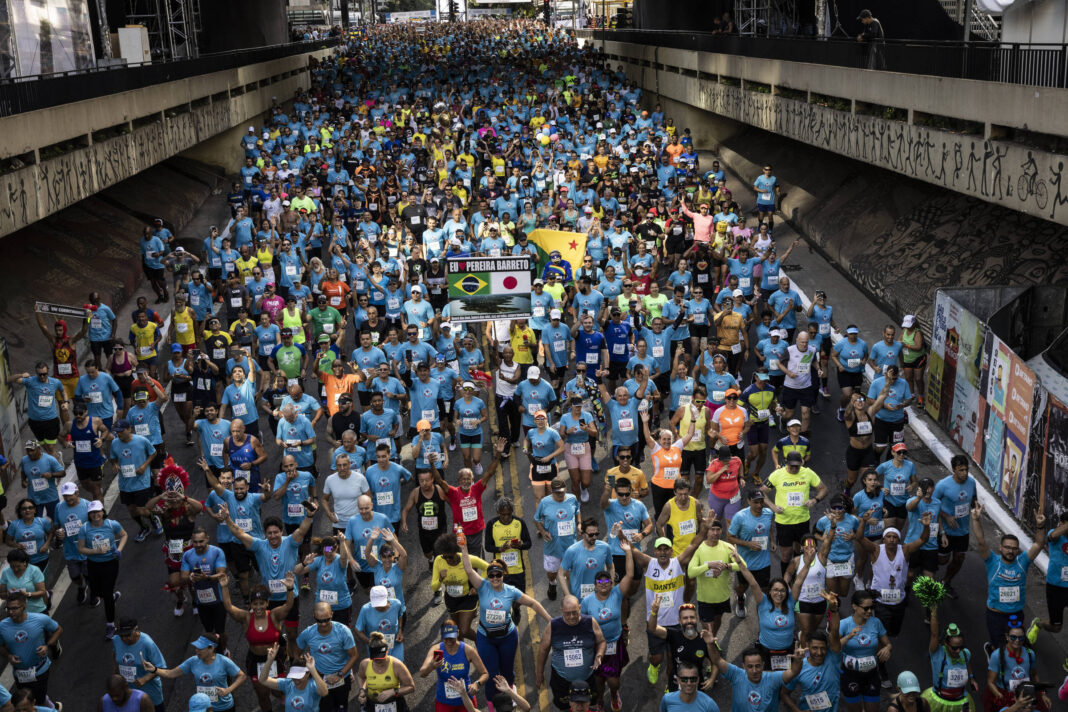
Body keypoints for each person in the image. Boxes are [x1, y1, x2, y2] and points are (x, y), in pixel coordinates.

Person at [461, 544, 548, 702]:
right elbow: (468, 569)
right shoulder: (482, 586)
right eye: (492, 575)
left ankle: (509, 699)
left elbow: (533, 604)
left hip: (507, 637)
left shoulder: (511, 591)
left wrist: (550, 620)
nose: (495, 578)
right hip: (485, 638)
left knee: (507, 672)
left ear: (503, 575)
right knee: (491, 673)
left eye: (498, 575)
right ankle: (492, 703)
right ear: (488, 576)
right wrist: (464, 547)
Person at [217, 574, 295, 712]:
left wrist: (290, 589)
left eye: (261, 603)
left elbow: (288, 606)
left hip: (275, 659)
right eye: (255, 603)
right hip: (256, 661)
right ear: (251, 604)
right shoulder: (246, 618)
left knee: (277, 691)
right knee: (263, 694)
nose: (258, 607)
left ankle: (285, 700)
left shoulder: (274, 615)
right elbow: (229, 607)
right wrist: (224, 587)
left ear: (267, 603)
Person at [973, 504, 1046, 649]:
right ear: (1000, 548)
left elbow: (1038, 544)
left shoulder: (1022, 562)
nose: (1010, 551)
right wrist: (975, 520)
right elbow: (981, 542)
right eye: (1007, 547)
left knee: (1016, 647)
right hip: (996, 616)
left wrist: (1040, 526)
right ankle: (991, 651)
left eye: (1014, 548)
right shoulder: (992, 561)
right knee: (999, 648)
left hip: (1016, 615)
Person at [535, 595, 606, 711]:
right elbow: (543, 650)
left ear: (580, 608)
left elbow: (602, 641)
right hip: (562, 681)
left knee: (587, 706)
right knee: (564, 707)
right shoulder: (553, 626)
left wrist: (599, 655)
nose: (572, 616)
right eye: (567, 613)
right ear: (561, 610)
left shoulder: (590, 622)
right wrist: (539, 673)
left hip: (588, 679)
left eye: (575, 612)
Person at [141, 634, 246, 712]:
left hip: (224, 707)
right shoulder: (193, 661)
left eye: (200, 648)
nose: (197, 651)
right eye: (196, 647)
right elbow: (170, 673)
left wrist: (228, 690)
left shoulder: (224, 661)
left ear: (211, 648)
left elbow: (241, 676)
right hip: (203, 707)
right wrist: (154, 669)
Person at [762, 451, 827, 575]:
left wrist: (815, 500)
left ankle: (798, 575)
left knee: (801, 550)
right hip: (784, 523)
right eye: (791, 466)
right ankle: (785, 581)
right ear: (786, 463)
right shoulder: (777, 474)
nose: (794, 469)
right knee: (786, 555)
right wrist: (772, 507)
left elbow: (823, 489)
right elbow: (762, 491)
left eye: (797, 466)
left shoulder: (808, 473)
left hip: (802, 521)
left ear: (801, 463)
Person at [707, 636, 803, 712]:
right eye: (750, 666)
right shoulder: (736, 674)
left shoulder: (773, 678)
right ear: (743, 666)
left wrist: (798, 660)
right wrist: (710, 644)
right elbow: (717, 660)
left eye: (757, 666)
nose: (754, 670)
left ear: (763, 665)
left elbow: (793, 671)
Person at [294, 602, 359, 712]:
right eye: (319, 621)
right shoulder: (308, 633)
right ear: (314, 617)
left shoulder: (343, 631)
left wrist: (340, 674)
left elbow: (354, 655)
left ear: (332, 614)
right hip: (320, 679)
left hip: (341, 677)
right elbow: (296, 653)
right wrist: (305, 671)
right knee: (324, 708)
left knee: (341, 708)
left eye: (326, 620)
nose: (323, 624)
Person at [0, 592, 62, 708]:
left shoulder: (40, 619)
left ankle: (51, 709)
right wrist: (8, 656)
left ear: (23, 607)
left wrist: (47, 646)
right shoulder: (2, 626)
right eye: (8, 608)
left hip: (40, 670)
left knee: (36, 701)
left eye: (14, 608)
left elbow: (58, 629)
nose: (10, 612)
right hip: (19, 674)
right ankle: (52, 706)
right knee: (28, 699)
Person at [839, 589, 893, 711]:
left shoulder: (876, 623)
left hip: (871, 674)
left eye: (871, 608)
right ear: (854, 606)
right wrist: (848, 637)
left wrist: (887, 649)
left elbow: (888, 644)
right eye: (866, 608)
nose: (869, 611)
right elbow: (834, 647)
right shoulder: (844, 624)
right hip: (850, 675)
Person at [418, 621, 489, 712]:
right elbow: (422, 673)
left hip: (466, 701)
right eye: (446, 638)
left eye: (451, 638)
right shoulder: (436, 649)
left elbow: (485, 673)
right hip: (444, 701)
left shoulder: (467, 650)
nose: (449, 641)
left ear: (458, 633)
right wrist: (431, 666)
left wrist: (477, 684)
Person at [922, 606, 979, 712]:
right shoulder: (938, 654)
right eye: (954, 648)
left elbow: (968, 664)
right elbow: (934, 635)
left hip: (961, 701)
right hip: (940, 701)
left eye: (960, 647)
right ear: (946, 644)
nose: (958, 651)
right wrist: (934, 612)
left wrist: (972, 678)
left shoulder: (965, 654)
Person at [534, 478, 581, 601]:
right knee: (551, 573)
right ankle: (552, 583)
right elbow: (536, 519)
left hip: (570, 544)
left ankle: (572, 599)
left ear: (566, 488)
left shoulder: (572, 498)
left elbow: (577, 510)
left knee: (572, 574)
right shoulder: (545, 502)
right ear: (552, 491)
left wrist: (579, 523)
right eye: (557, 492)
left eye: (562, 491)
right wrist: (543, 532)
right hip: (552, 546)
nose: (560, 494)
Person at [112, 618, 166, 712]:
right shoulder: (116, 640)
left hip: (150, 692)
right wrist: (115, 673)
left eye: (128, 635)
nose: (125, 638)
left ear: (136, 629)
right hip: (128, 692)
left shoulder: (147, 643)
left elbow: (161, 666)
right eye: (122, 635)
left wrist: (145, 679)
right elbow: (115, 655)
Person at [255, 645, 329, 712]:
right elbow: (263, 680)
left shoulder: (314, 685)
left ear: (307, 673)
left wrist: (312, 670)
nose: (296, 680)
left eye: (299, 676)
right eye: (293, 676)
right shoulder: (288, 683)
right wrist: (269, 660)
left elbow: (324, 692)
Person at [356, 631, 416, 712]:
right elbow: (360, 676)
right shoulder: (365, 664)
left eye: (381, 657)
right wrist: (362, 690)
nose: (378, 660)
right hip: (372, 704)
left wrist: (393, 692)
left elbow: (411, 687)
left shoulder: (397, 665)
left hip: (395, 704)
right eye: (375, 658)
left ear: (387, 651)